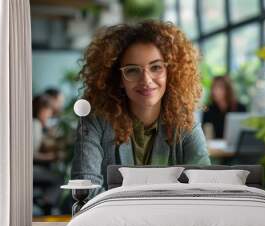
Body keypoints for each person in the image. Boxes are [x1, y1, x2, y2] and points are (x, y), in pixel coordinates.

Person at [70, 20, 211, 197]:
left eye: (156, 67)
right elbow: (84, 190)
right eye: (132, 70)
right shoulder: (96, 122)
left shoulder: (185, 124)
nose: (146, 80)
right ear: (119, 79)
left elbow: (205, 189)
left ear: (170, 72)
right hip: (112, 225)